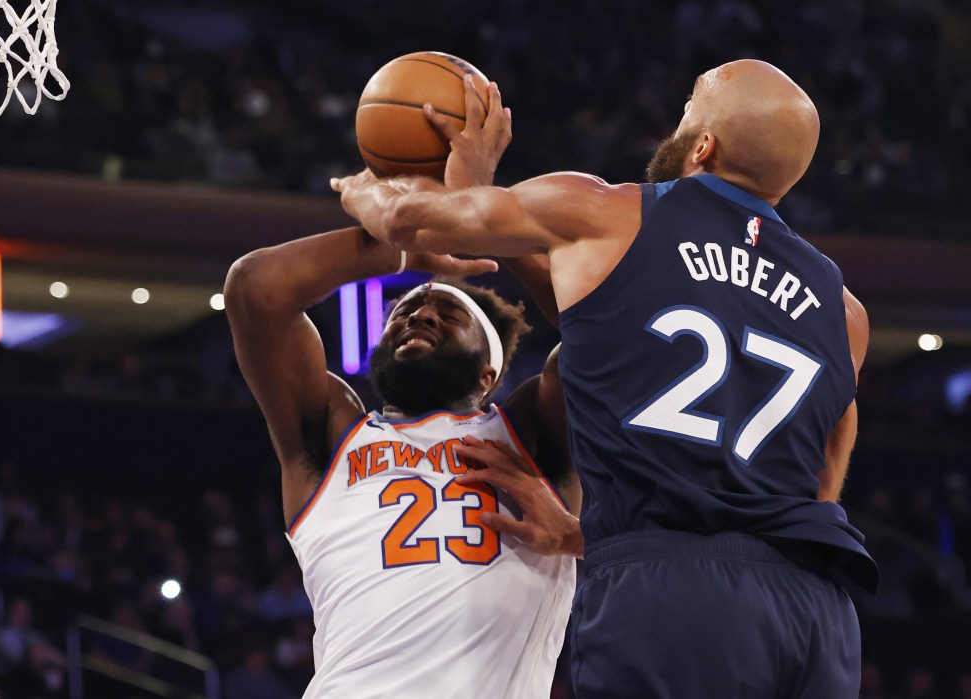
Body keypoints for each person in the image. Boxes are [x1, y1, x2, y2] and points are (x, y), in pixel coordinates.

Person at [333, 59, 878, 698]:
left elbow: (408, 221)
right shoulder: (843, 310)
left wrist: (362, 187)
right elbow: (822, 482)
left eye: (686, 113)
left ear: (703, 145)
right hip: (815, 613)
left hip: (674, 599)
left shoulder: (605, 209)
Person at [224, 80, 580, 698]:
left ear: (490, 375)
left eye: (449, 314)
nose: (418, 315)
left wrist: (480, 209)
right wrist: (401, 241)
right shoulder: (332, 431)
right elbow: (255, 289)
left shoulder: (530, 433)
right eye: (405, 311)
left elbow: (610, 337)